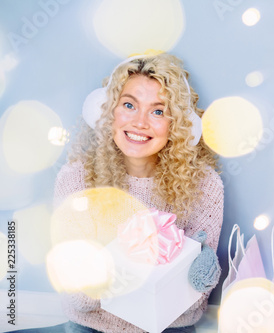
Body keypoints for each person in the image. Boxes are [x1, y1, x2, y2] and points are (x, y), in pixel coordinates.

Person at [7, 52, 224, 333]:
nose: (140, 122)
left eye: (158, 111)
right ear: (108, 111)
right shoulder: (76, 179)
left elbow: (193, 302)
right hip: (92, 327)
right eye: (129, 105)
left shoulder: (204, 185)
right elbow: (79, 298)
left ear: (178, 125)